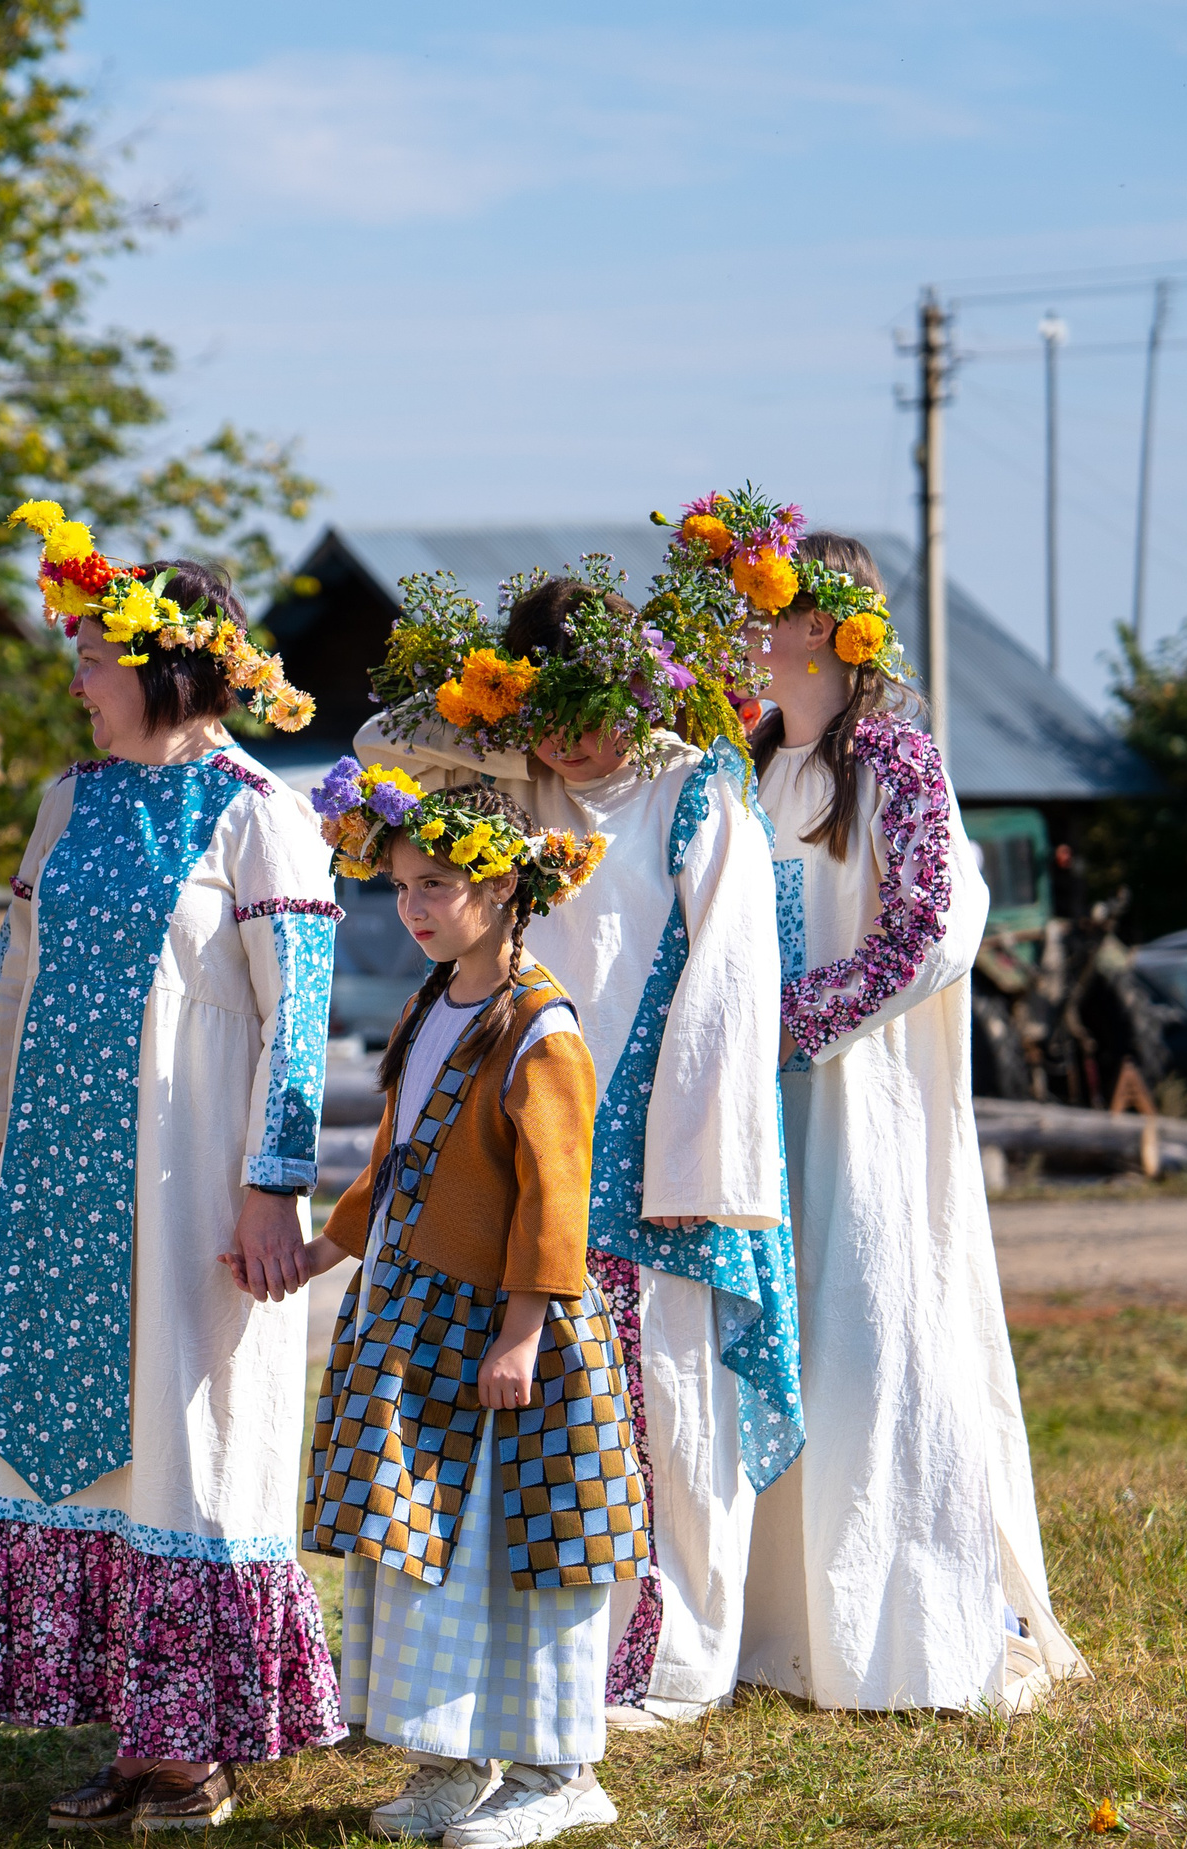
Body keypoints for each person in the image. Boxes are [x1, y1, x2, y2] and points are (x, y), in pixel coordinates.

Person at [0, 502, 341, 1832]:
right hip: (63, 1177)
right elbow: (17, 984)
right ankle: (131, 1738)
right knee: (92, 1449)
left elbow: (300, 1012)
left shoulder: (261, 815)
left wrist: (275, 1183)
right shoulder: (67, 803)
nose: (78, 678)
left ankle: (190, 1747)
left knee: (190, 1434)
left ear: (164, 666)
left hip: (198, 1179)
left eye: (95, 656)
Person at [349, 547, 795, 1728]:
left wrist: (689, 1159)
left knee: (668, 1396)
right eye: (537, 719)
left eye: (586, 718)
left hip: (659, 1143)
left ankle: (683, 1655)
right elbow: (377, 750)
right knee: (562, 1405)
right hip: (532, 1133)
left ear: (634, 698)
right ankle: (562, 1655)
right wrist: (493, 711)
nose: (567, 747)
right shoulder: (524, 790)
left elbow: (733, 979)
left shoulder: (697, 785)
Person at [736, 529, 1086, 1710]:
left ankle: (896, 1625)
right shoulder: (739, 764)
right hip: (743, 1102)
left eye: (765, 606)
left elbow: (931, 927)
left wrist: (793, 1018)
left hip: (854, 1095)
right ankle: (767, 1623)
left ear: (830, 624)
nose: (748, 632)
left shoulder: (895, 760)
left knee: (866, 1321)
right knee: (766, 1332)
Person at [297, 773, 642, 1846]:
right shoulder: (431, 1003)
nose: (412, 905)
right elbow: (402, 1157)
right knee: (421, 1541)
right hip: (415, 1320)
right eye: (401, 886)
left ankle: (557, 1770)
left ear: (500, 890)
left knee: (519, 1543)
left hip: (503, 1332)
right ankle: (449, 1754)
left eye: (435, 884)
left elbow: (555, 1194)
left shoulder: (541, 1029)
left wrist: (522, 1331)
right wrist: (327, 1244)